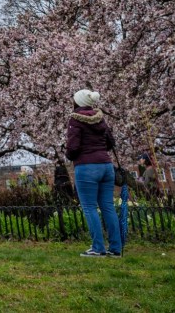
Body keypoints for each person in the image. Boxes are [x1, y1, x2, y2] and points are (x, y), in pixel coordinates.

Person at [65, 88, 122, 258]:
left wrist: (70, 155)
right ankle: (115, 248)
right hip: (106, 166)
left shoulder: (75, 119)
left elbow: (73, 147)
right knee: (108, 206)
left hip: (86, 167)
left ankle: (98, 247)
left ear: (77, 102)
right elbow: (111, 143)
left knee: (89, 207)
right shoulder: (100, 119)